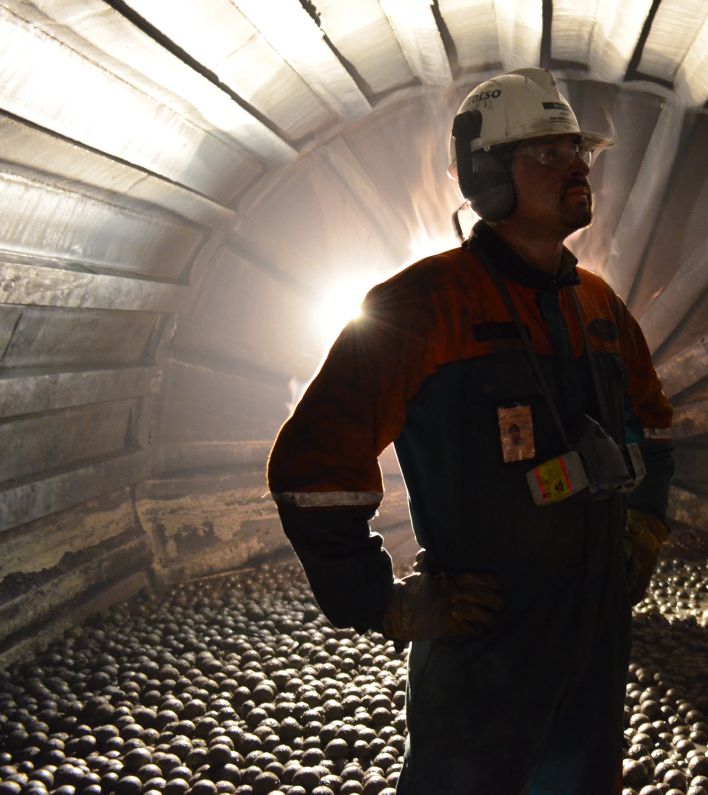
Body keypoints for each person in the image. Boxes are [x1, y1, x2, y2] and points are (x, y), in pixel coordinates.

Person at [266, 67, 675, 794]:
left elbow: (653, 425)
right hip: (487, 641)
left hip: (594, 639)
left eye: (577, 150)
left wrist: (641, 529)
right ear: (489, 175)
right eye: (548, 153)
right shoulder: (422, 306)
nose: (577, 166)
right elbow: (313, 466)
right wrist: (382, 600)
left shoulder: (598, 307)